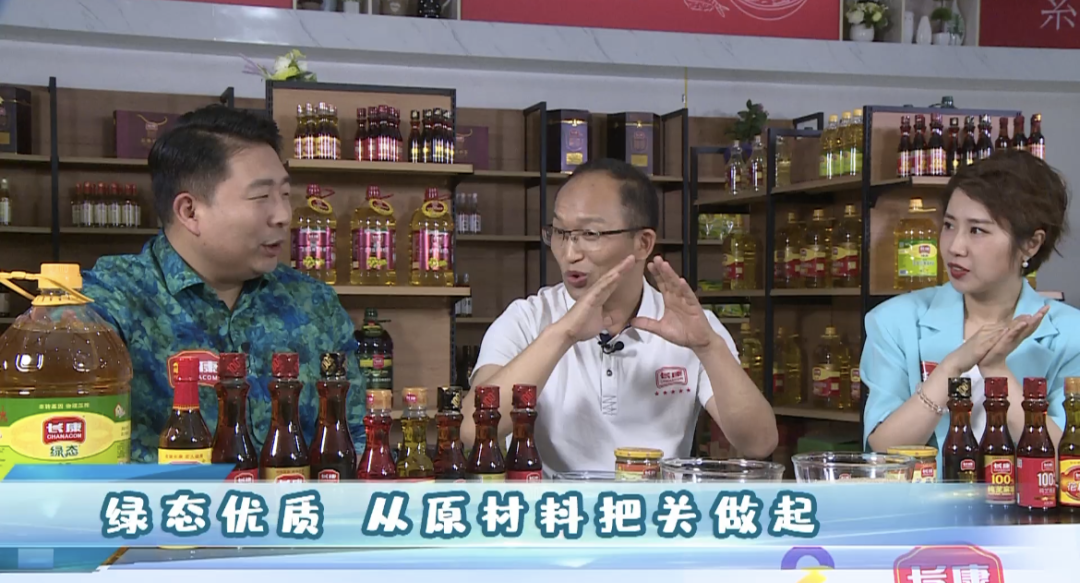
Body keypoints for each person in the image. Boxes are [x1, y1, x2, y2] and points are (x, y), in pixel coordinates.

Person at [81, 105, 364, 464]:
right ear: (190, 211)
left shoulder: (315, 304)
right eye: (261, 197)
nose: (283, 216)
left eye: (285, 195)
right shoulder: (107, 304)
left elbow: (355, 437)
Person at [464, 158, 778, 476]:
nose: (570, 253)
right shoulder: (527, 319)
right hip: (555, 505)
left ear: (643, 243)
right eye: (560, 232)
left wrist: (708, 348)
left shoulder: (689, 325)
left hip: (657, 504)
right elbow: (470, 431)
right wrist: (563, 334)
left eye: (590, 234)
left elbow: (759, 443)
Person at [863, 149, 1080, 460]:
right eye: (949, 225)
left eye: (977, 230)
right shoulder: (894, 322)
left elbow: (1067, 461)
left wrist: (996, 370)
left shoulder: (1072, 336)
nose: (955, 246)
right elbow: (884, 450)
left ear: (1031, 244)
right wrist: (952, 367)